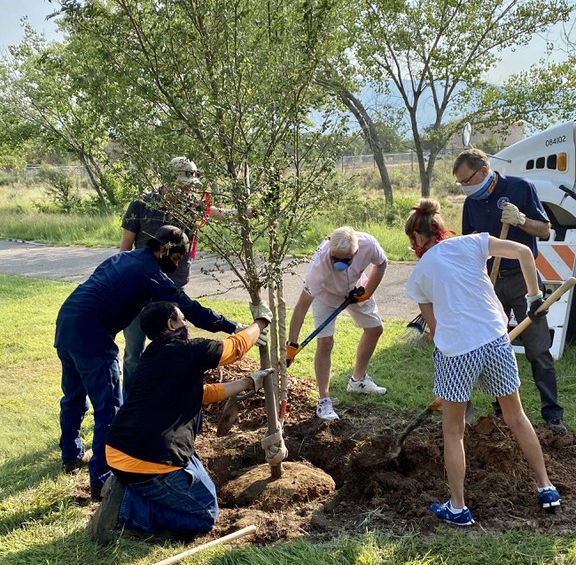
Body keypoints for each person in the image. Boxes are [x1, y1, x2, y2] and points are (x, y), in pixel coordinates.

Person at [54, 225, 241, 501]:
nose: (175, 266)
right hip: (92, 335)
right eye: (176, 259)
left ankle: (71, 455)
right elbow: (186, 307)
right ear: (164, 249)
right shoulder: (149, 271)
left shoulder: (123, 258)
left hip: (67, 322)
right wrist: (231, 326)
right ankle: (101, 482)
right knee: (108, 408)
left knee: (73, 395)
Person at [404, 198, 561, 526]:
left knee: (453, 430)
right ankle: (546, 487)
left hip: (457, 352)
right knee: (516, 416)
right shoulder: (473, 242)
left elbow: (433, 329)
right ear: (439, 227)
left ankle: (458, 508)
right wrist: (533, 298)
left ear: (417, 239)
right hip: (495, 339)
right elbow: (523, 252)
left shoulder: (420, 273)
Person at [90, 299, 273, 544]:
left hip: (120, 450)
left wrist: (247, 383)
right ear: (170, 323)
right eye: (182, 318)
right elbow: (234, 349)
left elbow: (200, 393)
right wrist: (261, 322)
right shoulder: (188, 350)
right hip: (147, 460)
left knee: (196, 471)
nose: (185, 323)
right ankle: (127, 506)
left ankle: (129, 487)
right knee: (206, 514)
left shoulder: (152, 355)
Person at [454, 148, 566, 435]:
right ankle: (500, 410)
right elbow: (469, 247)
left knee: (537, 348)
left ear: (482, 171)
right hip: (489, 283)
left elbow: (543, 230)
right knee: (493, 347)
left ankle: (552, 415)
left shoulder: (519, 188)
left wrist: (520, 220)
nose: (465, 187)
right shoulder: (472, 204)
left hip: (522, 280)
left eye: (466, 180)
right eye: (461, 184)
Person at [120, 156, 243, 396]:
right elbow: (125, 248)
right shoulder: (141, 204)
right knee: (134, 352)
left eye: (190, 186)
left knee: (175, 348)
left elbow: (219, 214)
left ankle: (166, 397)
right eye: (183, 185)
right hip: (139, 291)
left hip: (173, 290)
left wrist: (249, 212)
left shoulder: (192, 205)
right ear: (168, 181)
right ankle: (130, 403)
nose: (188, 191)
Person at [287, 226, 388, 421]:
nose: (339, 264)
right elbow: (301, 307)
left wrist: (368, 292)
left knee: (375, 329)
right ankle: (324, 401)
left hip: (356, 289)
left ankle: (358, 381)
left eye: (346, 260)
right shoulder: (319, 266)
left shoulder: (368, 244)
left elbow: (381, 264)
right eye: (335, 259)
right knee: (325, 343)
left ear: (356, 252)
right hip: (325, 295)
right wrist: (291, 344)